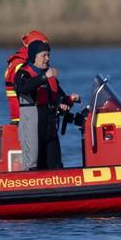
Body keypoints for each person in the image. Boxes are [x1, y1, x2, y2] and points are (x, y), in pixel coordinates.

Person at [14, 40, 79, 170]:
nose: (47, 59)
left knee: (55, 165)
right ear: (34, 57)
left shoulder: (51, 77)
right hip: (32, 123)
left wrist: (68, 100)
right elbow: (23, 89)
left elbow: (59, 97)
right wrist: (43, 77)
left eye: (48, 55)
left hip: (49, 125)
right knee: (33, 164)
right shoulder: (23, 73)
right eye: (43, 55)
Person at [4, 30, 49, 125]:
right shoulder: (21, 65)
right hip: (23, 119)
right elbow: (24, 87)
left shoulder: (22, 62)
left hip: (28, 117)